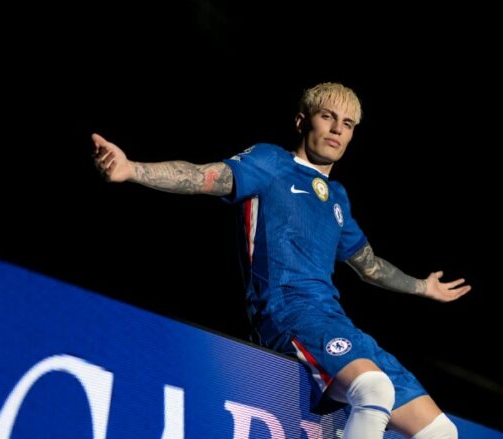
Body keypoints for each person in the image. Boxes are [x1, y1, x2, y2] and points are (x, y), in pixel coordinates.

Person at [92, 82, 470, 439]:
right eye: (327, 117)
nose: (337, 129)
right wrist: (132, 169)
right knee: (373, 388)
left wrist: (423, 287)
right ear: (302, 121)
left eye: (347, 123)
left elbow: (368, 263)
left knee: (441, 431)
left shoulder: (337, 196)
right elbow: (201, 175)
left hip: (335, 321)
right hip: (289, 314)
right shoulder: (271, 162)